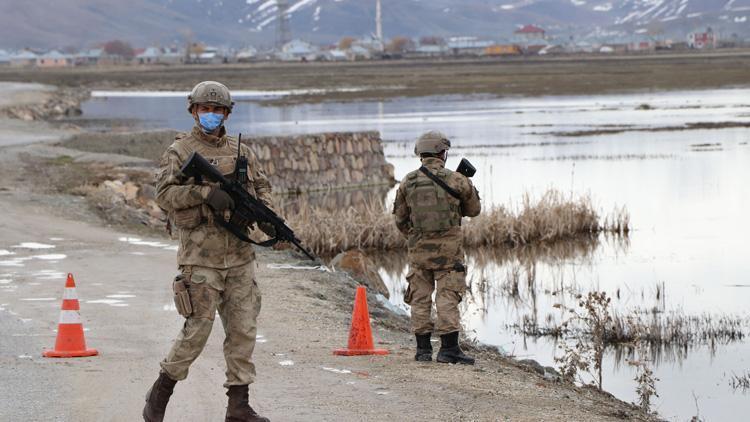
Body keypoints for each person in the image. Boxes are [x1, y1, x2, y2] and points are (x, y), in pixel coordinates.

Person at [143, 81, 273, 422]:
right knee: (197, 331)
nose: (211, 115)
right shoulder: (180, 152)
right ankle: (159, 395)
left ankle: (238, 406)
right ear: (193, 111)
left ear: (227, 113)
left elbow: (260, 186)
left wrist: (269, 218)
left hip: (240, 257)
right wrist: (203, 194)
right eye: (205, 109)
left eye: (218, 110)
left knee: (243, 330)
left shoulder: (241, 150)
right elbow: (164, 195)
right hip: (201, 259)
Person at [392, 131, 481, 365]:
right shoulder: (456, 180)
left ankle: (422, 351)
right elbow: (474, 210)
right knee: (447, 297)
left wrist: (416, 238)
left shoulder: (408, 182)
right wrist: (467, 185)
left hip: (419, 252)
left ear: (420, 153)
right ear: (443, 152)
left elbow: (400, 220)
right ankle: (448, 350)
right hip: (449, 254)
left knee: (419, 298)